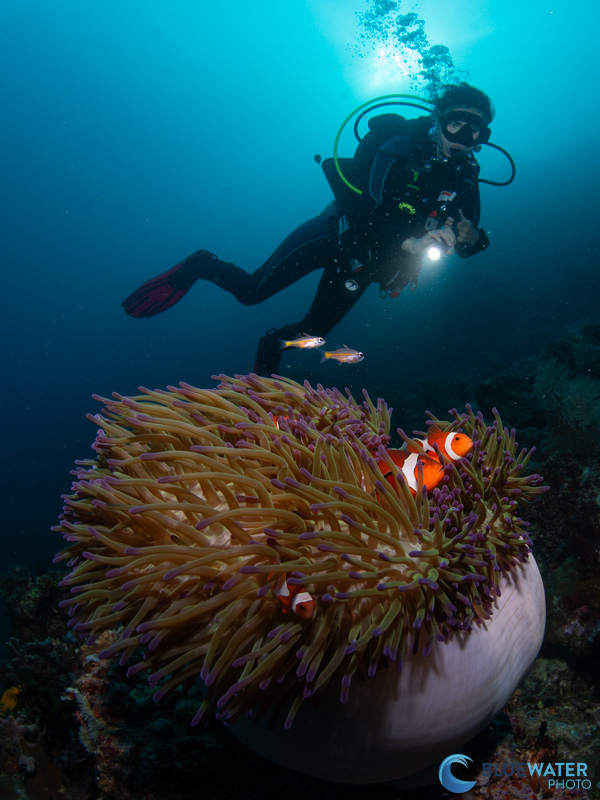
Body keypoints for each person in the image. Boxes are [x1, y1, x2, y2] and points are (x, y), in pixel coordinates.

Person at [122, 83, 494, 376]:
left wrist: (471, 237)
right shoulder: (395, 144)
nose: (464, 136)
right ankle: (201, 264)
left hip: (367, 267)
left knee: (312, 337)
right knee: (252, 293)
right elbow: (360, 207)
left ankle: (270, 348)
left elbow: (469, 242)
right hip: (334, 236)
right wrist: (411, 243)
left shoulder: (465, 175)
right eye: (457, 122)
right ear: (438, 118)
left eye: (476, 130)